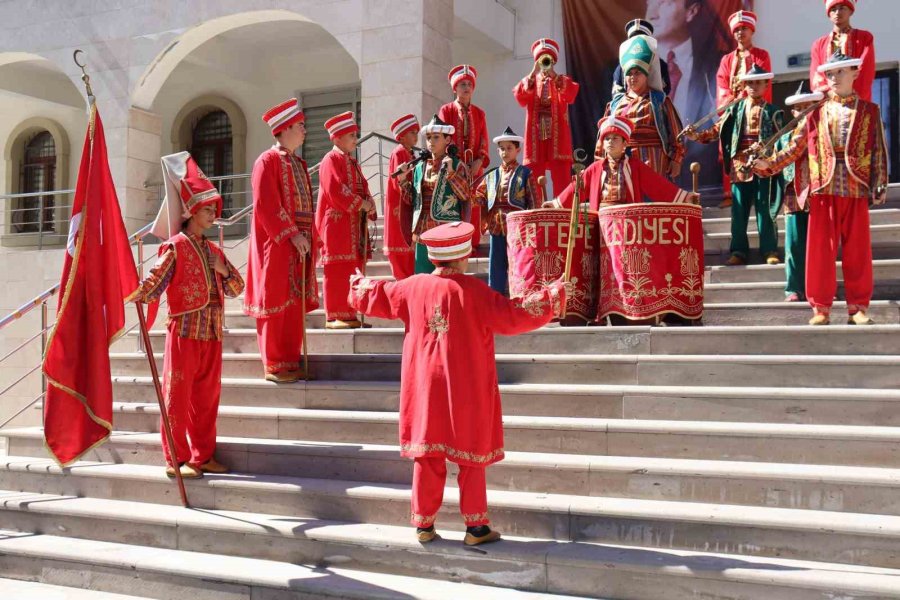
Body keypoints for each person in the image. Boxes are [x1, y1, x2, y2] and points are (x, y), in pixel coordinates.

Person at [348, 221, 570, 546]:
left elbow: (376, 294)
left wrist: (357, 281)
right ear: (464, 256)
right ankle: (476, 527)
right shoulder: (476, 292)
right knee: (471, 455)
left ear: (433, 256)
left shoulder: (412, 287)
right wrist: (552, 296)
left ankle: (424, 524)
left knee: (427, 454)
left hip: (425, 385)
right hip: (467, 384)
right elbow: (514, 315)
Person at [129, 152, 244, 479]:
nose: (213, 215)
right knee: (177, 397)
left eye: (213, 210)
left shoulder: (215, 251)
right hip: (184, 331)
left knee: (207, 400)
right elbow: (154, 283)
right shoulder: (175, 246)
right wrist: (131, 290)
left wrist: (223, 270)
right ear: (191, 211)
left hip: (212, 333)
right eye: (207, 209)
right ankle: (175, 458)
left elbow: (237, 287)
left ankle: (202, 456)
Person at [754, 52, 888, 326]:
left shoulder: (870, 111)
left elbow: (878, 150)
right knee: (820, 252)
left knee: (858, 252)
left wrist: (880, 182)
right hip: (823, 187)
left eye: (840, 71)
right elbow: (795, 148)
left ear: (855, 72)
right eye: (830, 73)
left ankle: (858, 308)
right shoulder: (815, 112)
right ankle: (821, 308)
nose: (834, 78)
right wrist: (768, 165)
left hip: (856, 186)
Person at [244, 98, 319, 382]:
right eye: (300, 125)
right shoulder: (267, 160)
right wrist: (291, 233)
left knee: (294, 302)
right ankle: (274, 362)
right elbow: (267, 204)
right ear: (285, 128)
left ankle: (290, 358)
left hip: (300, 243)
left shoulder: (298, 163)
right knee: (276, 299)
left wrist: (309, 236)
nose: (304, 131)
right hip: (277, 243)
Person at [685, 64, 783, 266]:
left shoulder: (773, 112)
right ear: (744, 86)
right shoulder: (734, 109)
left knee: (765, 210)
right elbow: (716, 130)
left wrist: (766, 153)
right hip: (740, 167)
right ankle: (738, 251)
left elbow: (780, 141)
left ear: (766, 85)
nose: (754, 86)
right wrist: (697, 136)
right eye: (750, 83)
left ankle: (769, 250)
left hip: (763, 165)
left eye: (758, 82)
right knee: (738, 211)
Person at [646, 0, 725, 190]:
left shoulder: (718, 66)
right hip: (653, 178)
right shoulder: (632, 73)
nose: (651, 14)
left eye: (664, 3)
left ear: (691, 11)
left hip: (703, 182)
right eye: (649, 3)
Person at [547, 116, 697, 211]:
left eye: (615, 138)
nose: (610, 142)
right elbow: (576, 188)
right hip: (602, 220)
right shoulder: (595, 169)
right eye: (607, 139)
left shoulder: (635, 166)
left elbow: (657, 185)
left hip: (628, 220)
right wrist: (555, 204)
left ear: (625, 144)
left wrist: (685, 197)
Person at [316, 111, 377, 329]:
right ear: (338, 137)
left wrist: (370, 204)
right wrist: (361, 204)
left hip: (354, 225)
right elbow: (335, 189)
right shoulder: (330, 159)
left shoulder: (352, 162)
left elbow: (364, 187)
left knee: (353, 269)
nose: (355, 139)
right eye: (351, 135)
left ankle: (351, 313)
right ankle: (335, 315)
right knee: (337, 269)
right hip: (337, 225)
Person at [602, 33, 685, 180]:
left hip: (654, 161)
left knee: (652, 194)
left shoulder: (659, 101)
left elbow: (676, 133)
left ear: (647, 75)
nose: (633, 77)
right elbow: (603, 136)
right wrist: (601, 161)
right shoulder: (615, 105)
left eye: (638, 73)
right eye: (629, 73)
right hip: (623, 163)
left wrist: (676, 159)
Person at [715, 10, 772, 209]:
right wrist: (733, 102)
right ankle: (730, 194)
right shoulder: (727, 60)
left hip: (755, 111)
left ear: (752, 31)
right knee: (730, 150)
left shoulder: (762, 55)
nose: (741, 32)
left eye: (744, 28)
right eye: (737, 29)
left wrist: (748, 99)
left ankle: (759, 190)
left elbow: (763, 81)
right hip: (733, 112)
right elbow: (722, 86)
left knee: (758, 147)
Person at [475, 127, 540, 295]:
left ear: (518, 150)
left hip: (517, 228)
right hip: (496, 225)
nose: (505, 152)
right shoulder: (491, 175)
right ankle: (495, 298)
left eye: (509, 148)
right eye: (502, 149)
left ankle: (517, 297)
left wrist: (532, 229)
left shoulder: (525, 174)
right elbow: (479, 196)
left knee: (517, 263)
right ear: (498, 151)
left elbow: (534, 203)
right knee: (496, 264)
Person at [513, 38, 580, 197]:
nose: (545, 63)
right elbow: (520, 97)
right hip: (536, 136)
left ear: (554, 61)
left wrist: (554, 76)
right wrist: (533, 72)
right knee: (534, 175)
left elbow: (571, 94)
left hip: (558, 137)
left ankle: (562, 207)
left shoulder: (561, 80)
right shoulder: (530, 82)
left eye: (548, 59)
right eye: (542, 59)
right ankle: (535, 206)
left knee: (561, 176)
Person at [776, 82, 823, 302]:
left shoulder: (824, 134)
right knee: (794, 245)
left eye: (807, 106)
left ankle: (818, 288)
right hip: (793, 196)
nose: (803, 111)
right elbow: (776, 164)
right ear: (793, 112)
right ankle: (793, 288)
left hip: (819, 195)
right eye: (798, 108)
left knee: (819, 246)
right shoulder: (784, 139)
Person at [410, 115, 471, 274]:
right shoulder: (419, 167)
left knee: (447, 276)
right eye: (428, 137)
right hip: (423, 230)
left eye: (436, 137)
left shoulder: (457, 165)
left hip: (446, 229)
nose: (431, 141)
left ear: (447, 140)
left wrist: (451, 173)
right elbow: (412, 200)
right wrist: (403, 182)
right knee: (423, 277)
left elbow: (465, 195)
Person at [439, 65, 490, 255]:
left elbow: (484, 138)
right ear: (455, 88)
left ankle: (472, 244)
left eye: (469, 84)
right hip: (454, 168)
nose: (466, 87)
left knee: (474, 204)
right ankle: (455, 244)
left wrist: (479, 161)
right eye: (462, 84)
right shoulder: (446, 110)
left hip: (475, 168)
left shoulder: (480, 113)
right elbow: (444, 137)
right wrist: (457, 163)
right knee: (454, 204)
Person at [810, 0, 875, 102]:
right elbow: (817, 74)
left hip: (856, 100)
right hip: (829, 101)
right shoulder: (818, 45)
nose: (837, 12)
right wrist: (830, 94)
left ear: (851, 11)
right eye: (833, 9)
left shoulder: (864, 38)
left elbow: (866, 70)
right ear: (828, 14)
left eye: (842, 8)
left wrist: (849, 95)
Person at [384, 114, 420, 280]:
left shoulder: (410, 153)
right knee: (402, 261)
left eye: (416, 132)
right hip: (399, 210)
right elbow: (397, 182)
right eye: (412, 132)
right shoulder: (399, 153)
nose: (416, 136)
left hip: (407, 208)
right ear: (402, 136)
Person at [612, 19, 672, 96]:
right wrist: (631, 99)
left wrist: (649, 99)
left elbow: (665, 89)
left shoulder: (660, 65)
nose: (637, 44)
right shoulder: (622, 67)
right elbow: (617, 92)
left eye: (641, 41)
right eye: (634, 40)